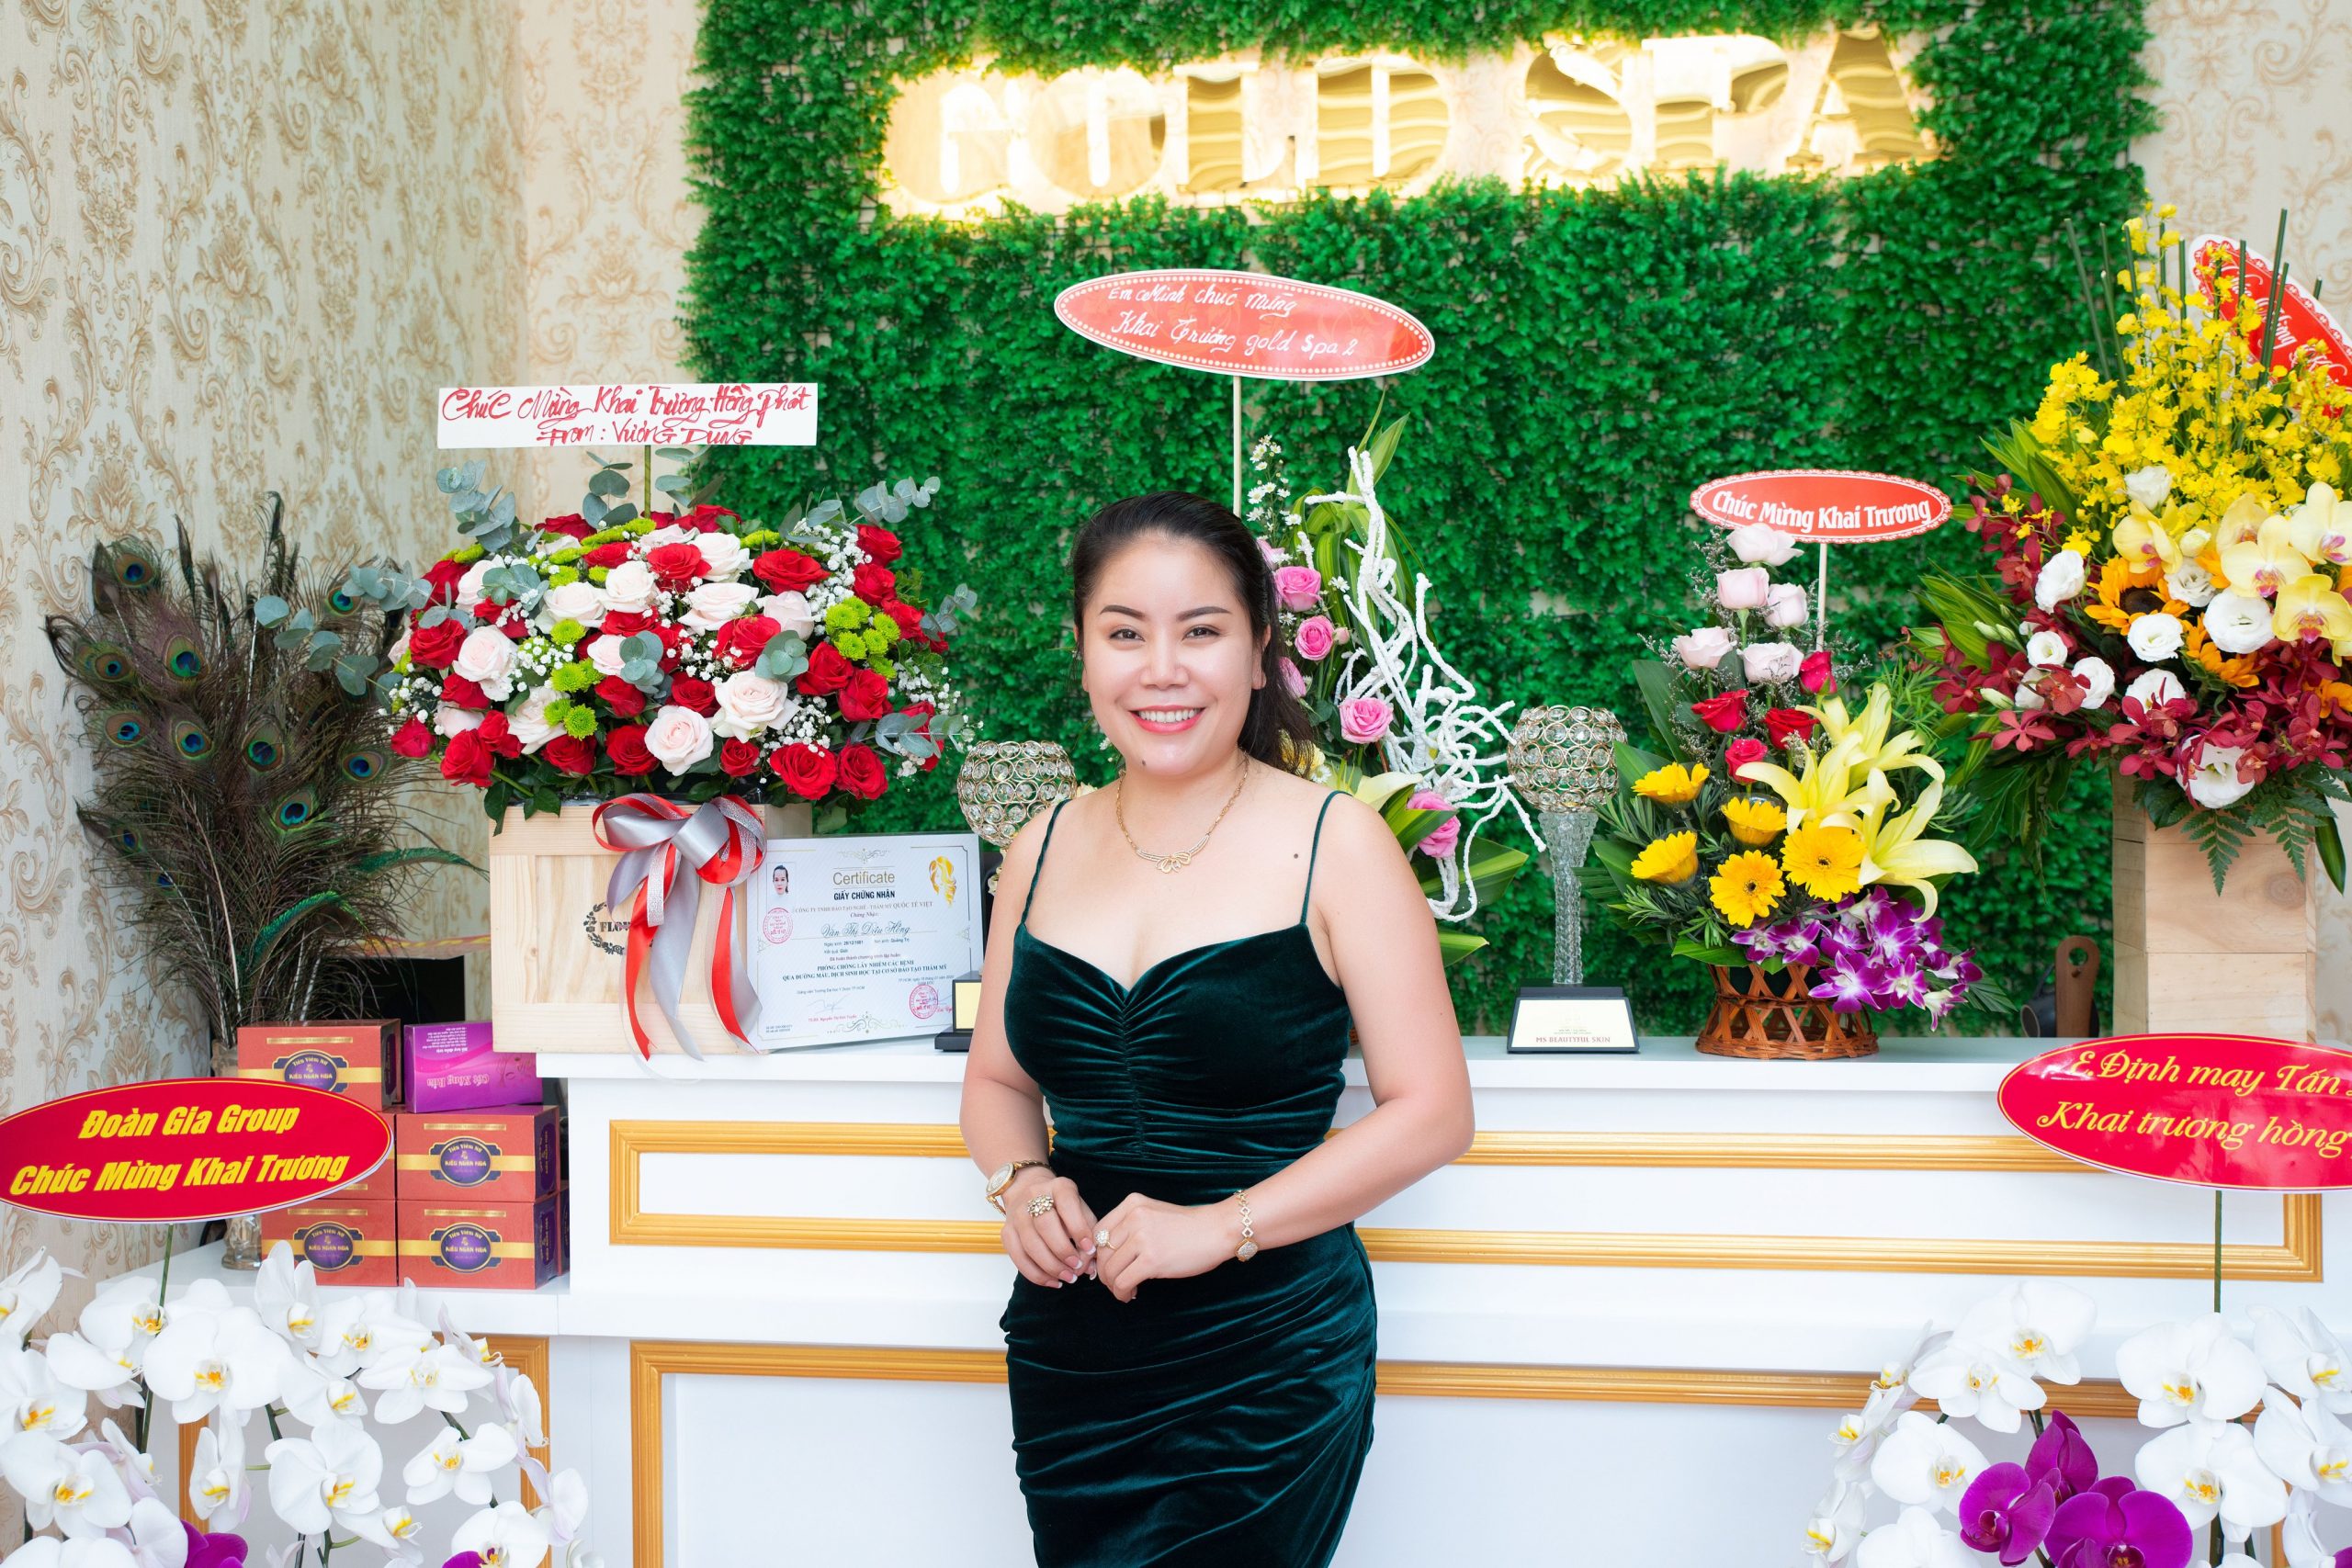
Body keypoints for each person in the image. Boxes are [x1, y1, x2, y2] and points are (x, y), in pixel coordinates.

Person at [957, 490, 1475, 1566]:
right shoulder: (1040, 844)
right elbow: (999, 1081)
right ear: (1082, 652)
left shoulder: (1340, 843)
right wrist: (1023, 1184)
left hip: (1267, 1357)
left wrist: (1218, 1227)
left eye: (1199, 632)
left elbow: (1432, 1113)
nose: (1162, 670)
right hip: (1074, 1348)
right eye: (1124, 634)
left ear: (1259, 650)